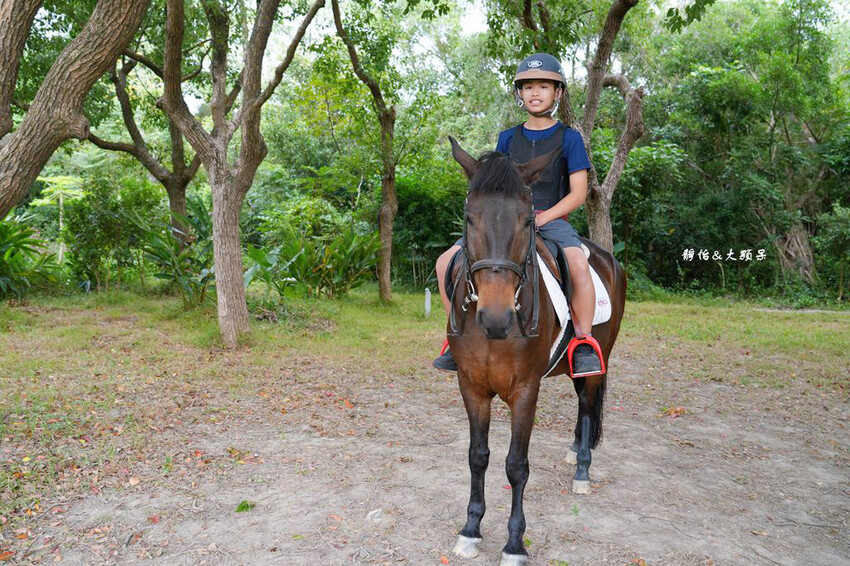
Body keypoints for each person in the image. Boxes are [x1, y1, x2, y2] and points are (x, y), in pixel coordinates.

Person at [433, 52, 604, 377]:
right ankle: (455, 336)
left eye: (544, 86)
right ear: (519, 94)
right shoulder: (508, 138)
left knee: (580, 265)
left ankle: (583, 342)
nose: (535, 93)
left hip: (551, 221)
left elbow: (579, 194)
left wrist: (541, 218)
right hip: (505, 224)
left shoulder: (570, 139)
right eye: (528, 87)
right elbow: (497, 185)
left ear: (558, 93)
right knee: (444, 262)